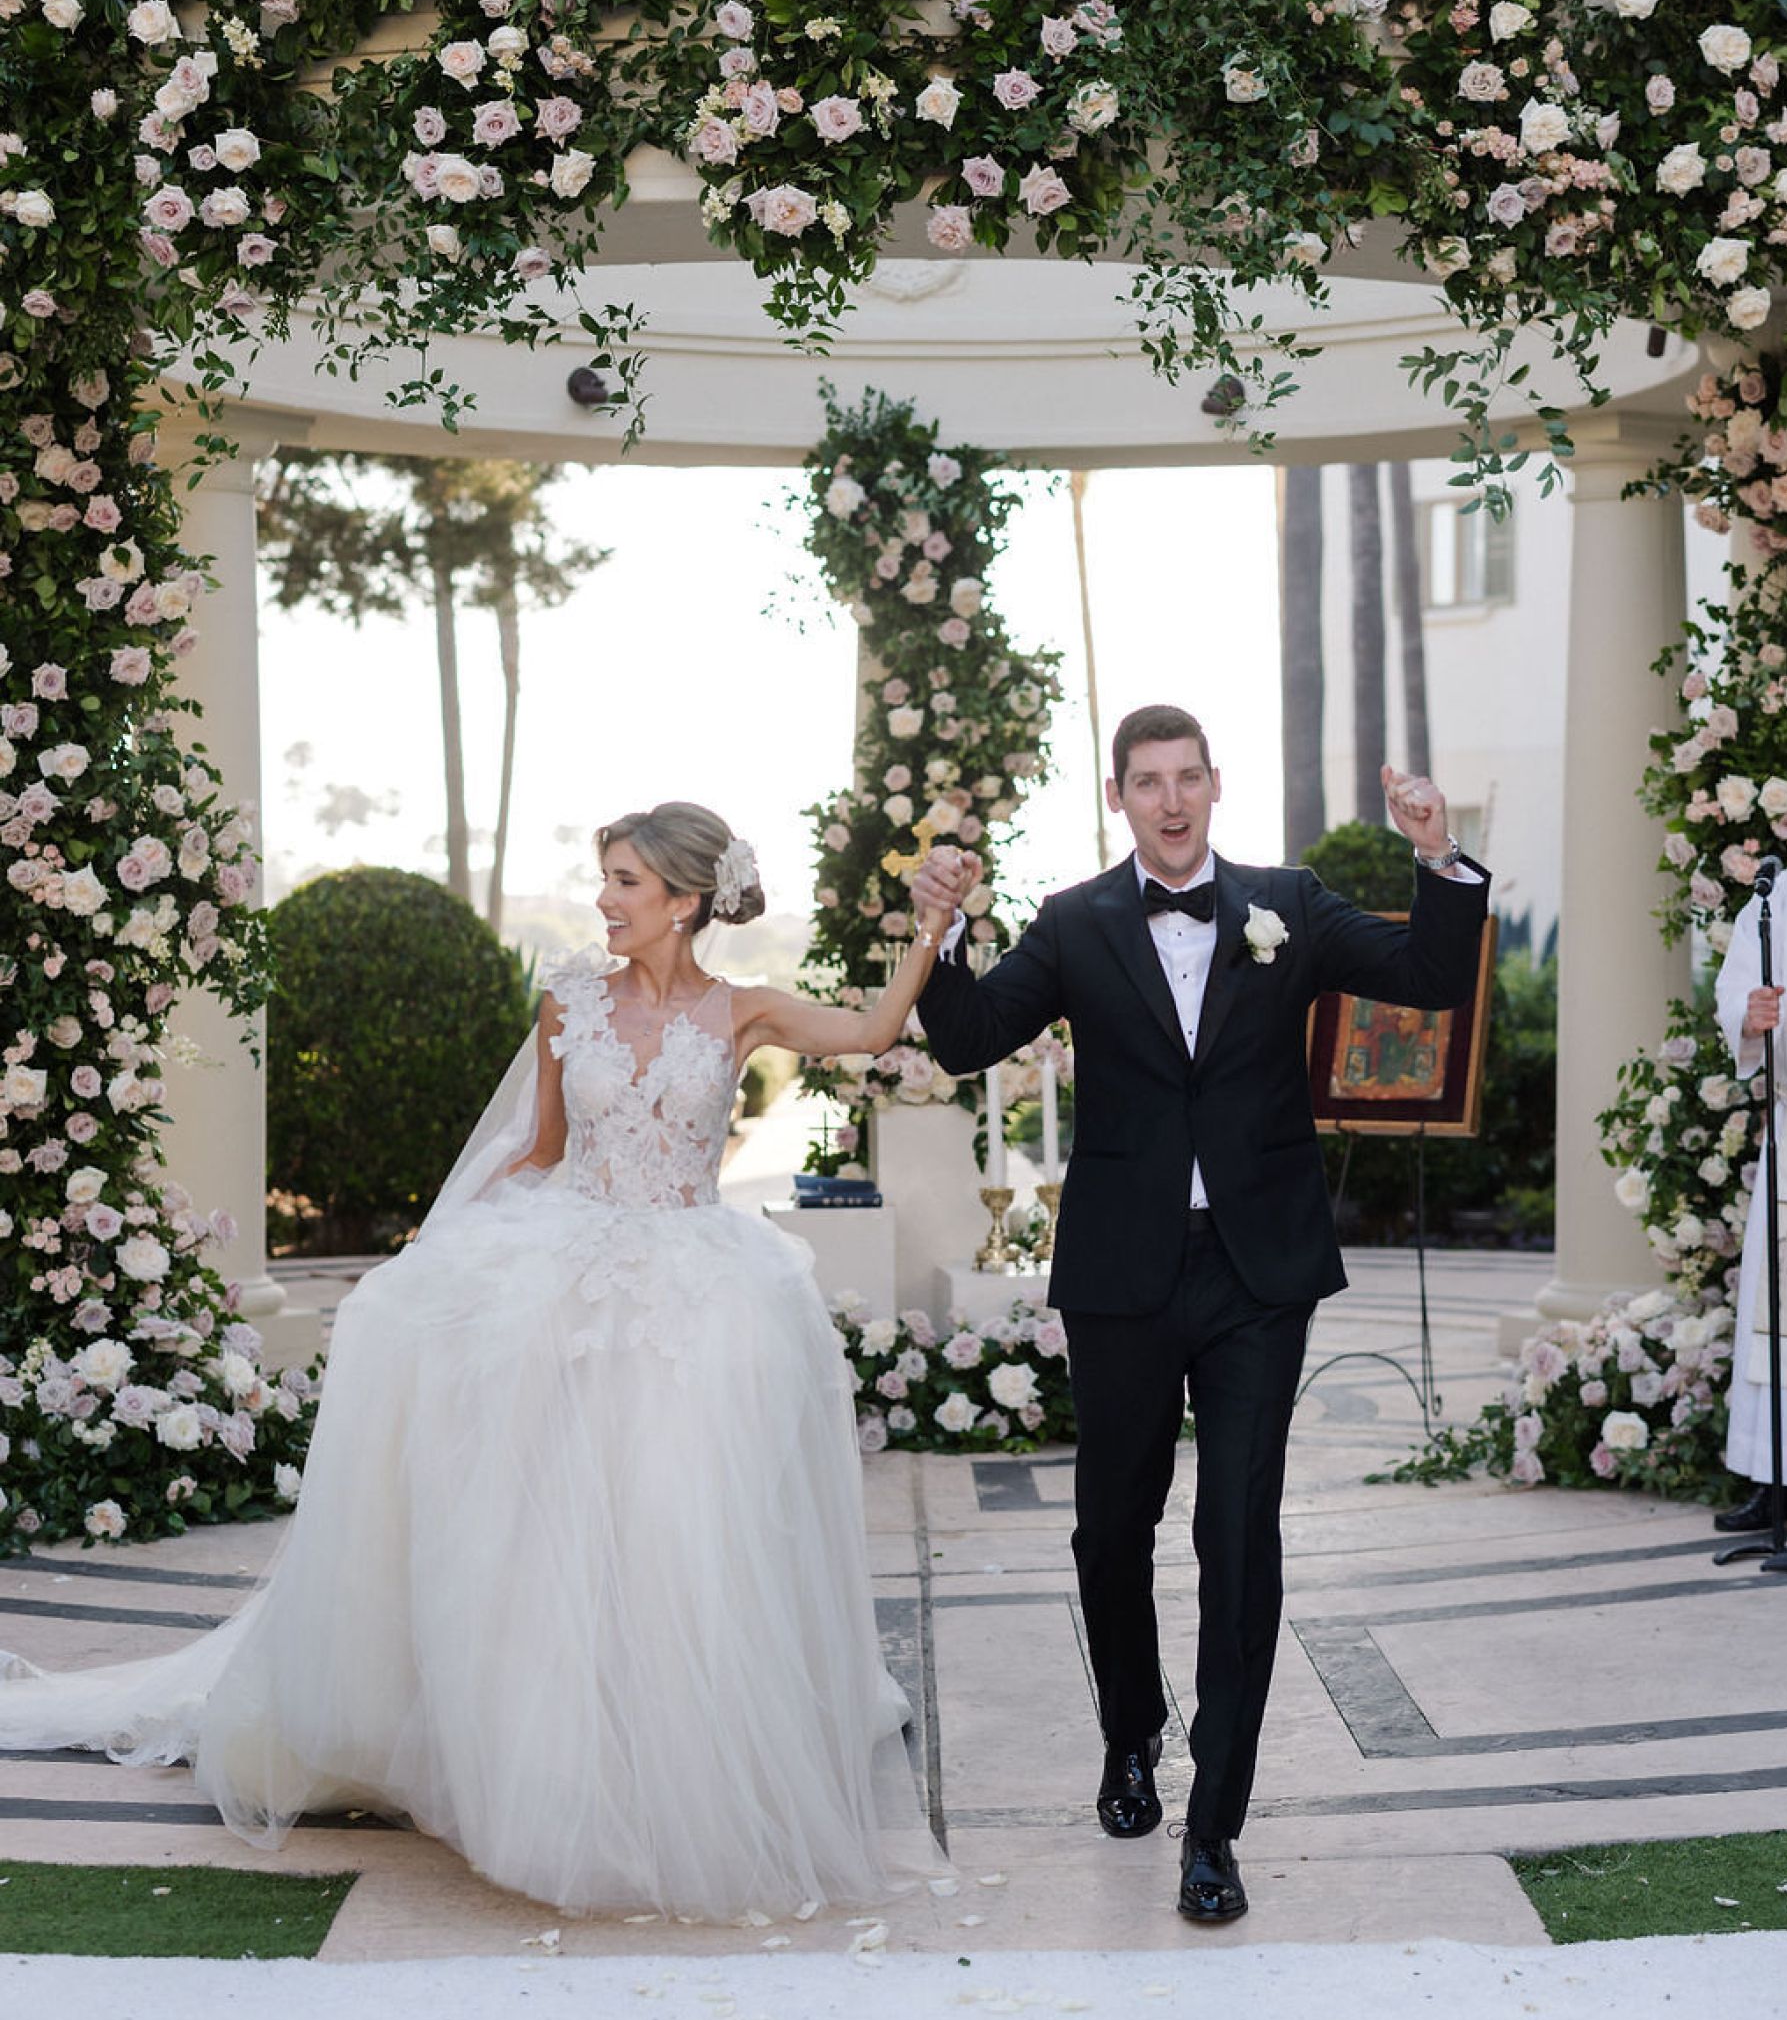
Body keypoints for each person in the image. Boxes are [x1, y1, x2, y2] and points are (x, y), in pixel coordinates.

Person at [0, 803, 951, 1922]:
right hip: (572, 1262)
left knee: (677, 1522)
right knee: (554, 1531)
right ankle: (556, 1759)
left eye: (627, 882)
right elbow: (540, 1150)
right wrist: (438, 1259)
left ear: (685, 901)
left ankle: (673, 1752)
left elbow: (877, 1030)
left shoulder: (742, 1012)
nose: (605, 898)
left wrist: (929, 928)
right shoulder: (569, 997)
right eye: (603, 876)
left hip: (701, 1287)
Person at [912, 703, 1489, 1925]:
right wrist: (946, 927)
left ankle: (1216, 1829)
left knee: (1238, 1539)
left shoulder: (1293, 899)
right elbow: (964, 1040)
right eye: (1146, 783)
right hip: (1121, 1274)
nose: (1170, 802)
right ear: (1119, 796)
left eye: (1187, 778)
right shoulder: (1074, 922)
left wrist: (1436, 856)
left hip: (1256, 1274)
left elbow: (1431, 980)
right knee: (1110, 1535)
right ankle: (1132, 1738)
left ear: (1215, 784)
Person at [1711, 863, 1787, 1536]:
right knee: (1779, 1318)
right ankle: (1776, 1481)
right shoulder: (1776, 898)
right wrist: (1750, 1014)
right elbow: (1733, 987)